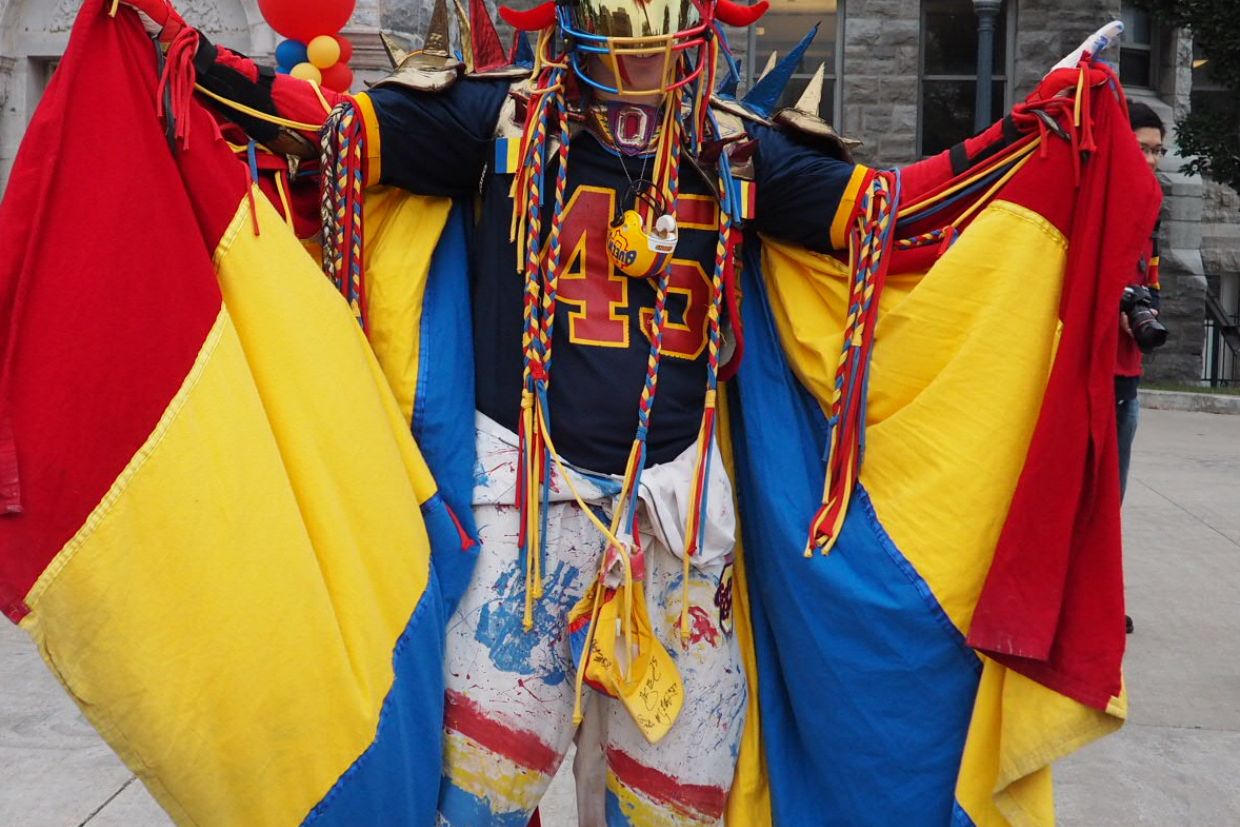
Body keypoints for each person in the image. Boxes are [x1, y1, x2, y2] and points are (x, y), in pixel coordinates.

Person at [100, 2, 1139, 823]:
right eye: (618, 48)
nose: (639, 80)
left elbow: (888, 215)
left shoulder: (733, 150)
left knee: (676, 802)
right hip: (523, 509)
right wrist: (177, 53)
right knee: (479, 794)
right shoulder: (493, 115)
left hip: (679, 527)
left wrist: (1037, 127)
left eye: (658, 52)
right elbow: (328, 142)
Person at [1119, 101, 1166, 634]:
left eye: (1157, 150)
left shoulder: (1149, 209)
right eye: (1142, 148)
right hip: (1090, 377)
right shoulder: (1098, 204)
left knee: (1111, 503)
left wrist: (1145, 306)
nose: (1151, 160)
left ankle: (1101, 601)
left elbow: (1148, 281)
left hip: (1127, 377)